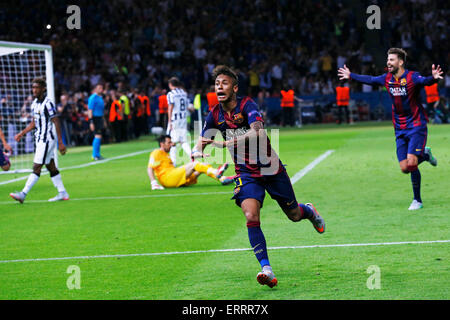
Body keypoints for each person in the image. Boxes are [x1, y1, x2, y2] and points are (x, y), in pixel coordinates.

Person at [192, 65, 325, 288]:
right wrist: (197, 150)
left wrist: (226, 143)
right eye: (217, 84)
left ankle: (309, 211)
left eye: (224, 83)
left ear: (234, 88)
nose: (219, 87)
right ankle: (267, 269)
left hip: (270, 167)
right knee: (251, 215)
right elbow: (203, 138)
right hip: (245, 172)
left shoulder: (247, 105)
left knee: (293, 215)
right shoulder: (214, 114)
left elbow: (258, 131)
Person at [338, 47, 442, 210]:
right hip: (399, 128)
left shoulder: (412, 77)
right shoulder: (386, 78)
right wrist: (351, 76)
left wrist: (434, 78)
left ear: (400, 62)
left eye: (391, 59)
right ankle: (426, 155)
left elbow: (425, 81)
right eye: (388, 60)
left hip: (416, 125)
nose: (388, 62)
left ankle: (417, 200)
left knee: (412, 161)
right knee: (404, 168)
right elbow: (370, 80)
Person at [10, 78, 69, 203]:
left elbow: (56, 121)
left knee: (36, 167)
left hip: (47, 139)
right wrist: (22, 133)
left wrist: (61, 142)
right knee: (50, 166)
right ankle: (62, 192)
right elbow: (34, 122)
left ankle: (23, 194)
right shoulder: (34, 104)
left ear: (43, 89)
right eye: (33, 87)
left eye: (37, 87)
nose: (34, 90)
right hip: (39, 139)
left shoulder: (48, 103)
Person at [148, 135, 233, 190]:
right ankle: (218, 173)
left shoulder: (166, 155)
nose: (171, 144)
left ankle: (222, 178)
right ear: (162, 144)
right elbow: (150, 167)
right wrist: (153, 182)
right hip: (168, 178)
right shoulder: (156, 152)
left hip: (173, 177)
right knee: (195, 164)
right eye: (169, 142)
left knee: (202, 167)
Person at [166, 77, 194, 166]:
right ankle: (192, 156)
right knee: (183, 141)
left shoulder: (171, 94)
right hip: (183, 120)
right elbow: (187, 106)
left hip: (175, 120)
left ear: (170, 85)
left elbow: (170, 108)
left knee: (172, 142)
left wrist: (169, 122)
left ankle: (173, 162)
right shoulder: (183, 93)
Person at [88, 84, 105, 160]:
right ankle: (94, 155)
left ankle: (97, 154)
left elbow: (101, 110)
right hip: (95, 118)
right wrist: (91, 122)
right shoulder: (93, 98)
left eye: (101, 88)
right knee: (97, 136)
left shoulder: (100, 97)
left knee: (99, 136)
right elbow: (90, 110)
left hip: (100, 118)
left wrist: (103, 120)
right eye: (99, 88)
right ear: (95, 89)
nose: (101, 89)